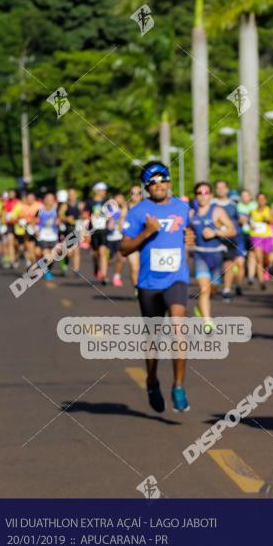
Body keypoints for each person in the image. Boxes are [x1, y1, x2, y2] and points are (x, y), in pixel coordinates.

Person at [120, 162, 194, 413]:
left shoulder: (183, 207)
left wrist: (190, 238)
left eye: (163, 180)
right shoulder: (138, 212)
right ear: (147, 187)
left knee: (178, 329)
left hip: (177, 278)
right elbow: (124, 248)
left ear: (170, 182)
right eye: (153, 182)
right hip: (149, 282)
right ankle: (152, 380)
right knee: (153, 339)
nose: (159, 185)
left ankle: (179, 386)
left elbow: (189, 233)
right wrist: (146, 233)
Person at [190, 181, 235, 326]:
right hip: (200, 254)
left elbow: (232, 230)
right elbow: (185, 231)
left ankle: (200, 308)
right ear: (196, 196)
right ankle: (207, 321)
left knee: (213, 287)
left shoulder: (217, 211)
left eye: (205, 193)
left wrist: (215, 232)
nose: (202, 196)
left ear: (211, 195)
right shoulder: (191, 214)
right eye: (199, 193)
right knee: (204, 289)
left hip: (216, 255)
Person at [213, 181, 246, 302]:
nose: (221, 190)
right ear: (216, 190)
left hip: (231, 239)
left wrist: (242, 221)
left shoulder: (233, 205)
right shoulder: (212, 204)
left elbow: (239, 220)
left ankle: (227, 289)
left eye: (223, 187)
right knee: (216, 267)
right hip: (215, 239)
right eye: (218, 187)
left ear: (227, 190)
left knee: (229, 264)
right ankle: (213, 286)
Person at [85, 182, 112, 284]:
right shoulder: (90, 202)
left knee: (103, 252)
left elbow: (111, 214)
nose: (104, 192)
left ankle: (104, 276)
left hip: (104, 231)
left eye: (105, 190)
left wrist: (111, 219)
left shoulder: (107, 201)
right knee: (96, 254)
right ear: (97, 191)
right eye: (103, 190)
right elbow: (85, 217)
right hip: (93, 232)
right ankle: (96, 265)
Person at [248, 193, 273, 290]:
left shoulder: (269, 210)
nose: (261, 201)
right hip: (256, 237)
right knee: (259, 259)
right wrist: (251, 225)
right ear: (257, 200)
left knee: (266, 259)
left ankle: (267, 267)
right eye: (259, 199)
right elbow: (250, 223)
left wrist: (268, 220)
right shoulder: (253, 211)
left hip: (267, 237)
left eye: (263, 199)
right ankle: (261, 281)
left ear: (265, 200)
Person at [34, 192, 60, 279]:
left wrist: (59, 222)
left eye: (52, 199)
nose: (50, 200)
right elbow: (35, 221)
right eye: (48, 198)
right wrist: (36, 230)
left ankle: (45, 268)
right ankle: (46, 271)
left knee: (52, 256)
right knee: (46, 254)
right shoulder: (40, 210)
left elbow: (60, 220)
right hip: (43, 235)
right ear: (44, 200)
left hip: (53, 235)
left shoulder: (56, 210)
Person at [58, 189, 83, 276]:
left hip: (77, 229)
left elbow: (84, 214)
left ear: (76, 195)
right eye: (70, 195)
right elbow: (60, 215)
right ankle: (65, 264)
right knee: (68, 252)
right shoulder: (65, 205)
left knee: (77, 250)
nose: (71, 196)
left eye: (73, 194)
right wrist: (66, 218)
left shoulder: (79, 204)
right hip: (68, 229)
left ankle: (76, 270)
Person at [237, 190, 258, 286]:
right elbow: (239, 219)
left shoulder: (255, 205)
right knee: (240, 257)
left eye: (246, 195)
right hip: (241, 234)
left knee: (252, 255)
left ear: (250, 197)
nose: (245, 197)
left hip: (253, 234)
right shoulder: (238, 206)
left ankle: (250, 276)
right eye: (243, 196)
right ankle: (239, 282)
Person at [107, 193, 126, 286]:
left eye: (121, 198)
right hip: (110, 238)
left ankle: (116, 277)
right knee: (109, 259)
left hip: (120, 237)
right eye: (118, 198)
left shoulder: (124, 209)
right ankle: (104, 272)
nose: (119, 200)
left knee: (120, 258)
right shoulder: (109, 209)